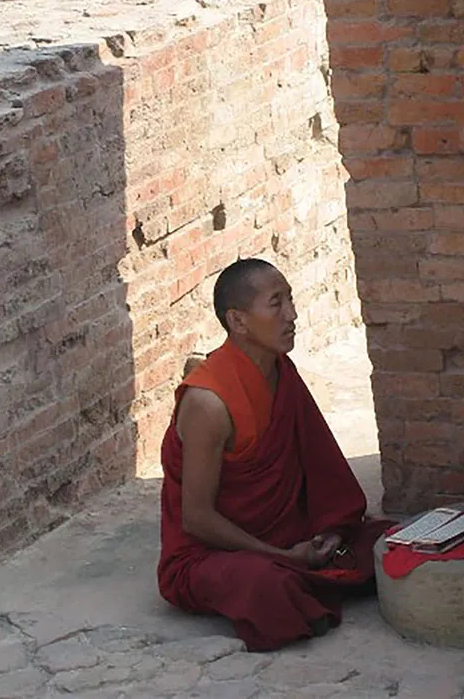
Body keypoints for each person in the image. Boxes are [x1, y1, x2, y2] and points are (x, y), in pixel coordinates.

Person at [157, 257, 390, 651]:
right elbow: (196, 519)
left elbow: (319, 468)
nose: (292, 315)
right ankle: (302, 580)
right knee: (266, 585)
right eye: (276, 303)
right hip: (211, 553)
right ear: (238, 321)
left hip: (286, 534)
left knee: (385, 540)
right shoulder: (208, 402)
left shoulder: (281, 371)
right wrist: (283, 556)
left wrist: (330, 532)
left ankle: (307, 574)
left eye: (290, 300)